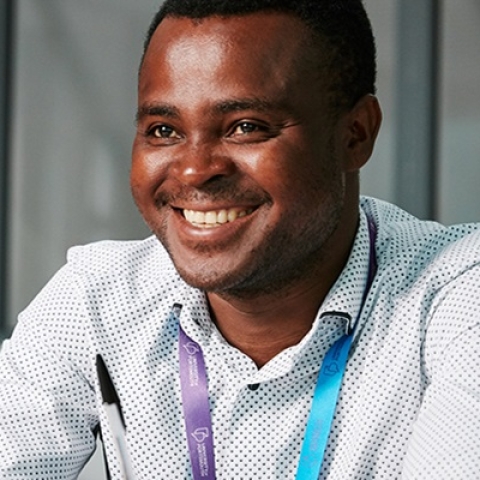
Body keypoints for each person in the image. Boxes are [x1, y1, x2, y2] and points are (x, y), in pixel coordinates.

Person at [1, 0, 479, 478]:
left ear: (356, 135)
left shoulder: (458, 295)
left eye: (246, 127)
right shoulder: (97, 301)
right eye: (164, 130)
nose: (194, 169)